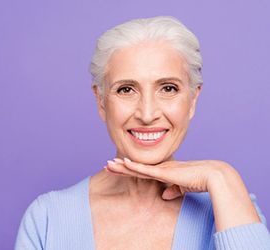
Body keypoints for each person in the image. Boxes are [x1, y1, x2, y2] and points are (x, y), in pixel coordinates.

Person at [14, 16, 270, 250]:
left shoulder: (229, 204)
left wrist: (222, 175)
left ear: (192, 100)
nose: (147, 114)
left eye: (168, 88)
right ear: (101, 101)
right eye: (126, 90)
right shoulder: (48, 218)